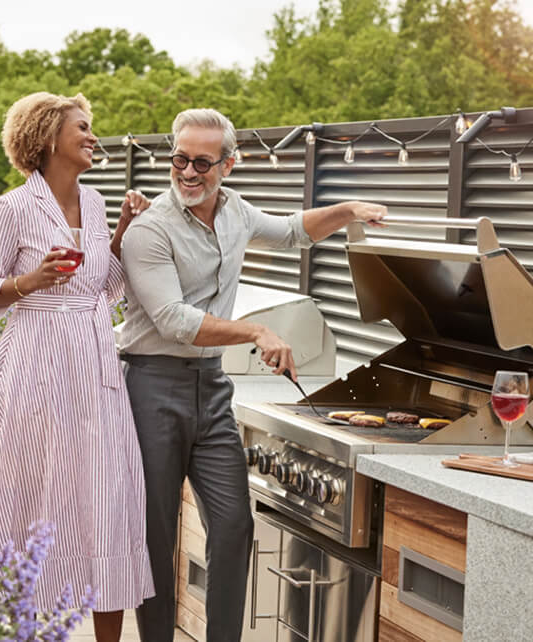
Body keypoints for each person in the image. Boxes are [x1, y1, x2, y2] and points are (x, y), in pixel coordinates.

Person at [119, 108, 387, 641]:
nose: (188, 173)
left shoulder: (236, 211)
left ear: (229, 165)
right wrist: (257, 333)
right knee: (155, 537)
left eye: (201, 162)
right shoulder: (149, 230)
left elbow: (292, 231)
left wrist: (348, 208)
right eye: (179, 160)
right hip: (151, 386)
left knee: (235, 524)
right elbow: (174, 321)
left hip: (211, 389)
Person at [0, 91, 154, 642]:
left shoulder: (95, 202)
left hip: (95, 367)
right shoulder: (12, 209)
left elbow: (108, 286)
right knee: (21, 491)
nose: (93, 136)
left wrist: (120, 231)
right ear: (48, 138)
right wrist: (28, 281)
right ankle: (2, 628)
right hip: (34, 364)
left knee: (105, 494)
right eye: (83, 127)